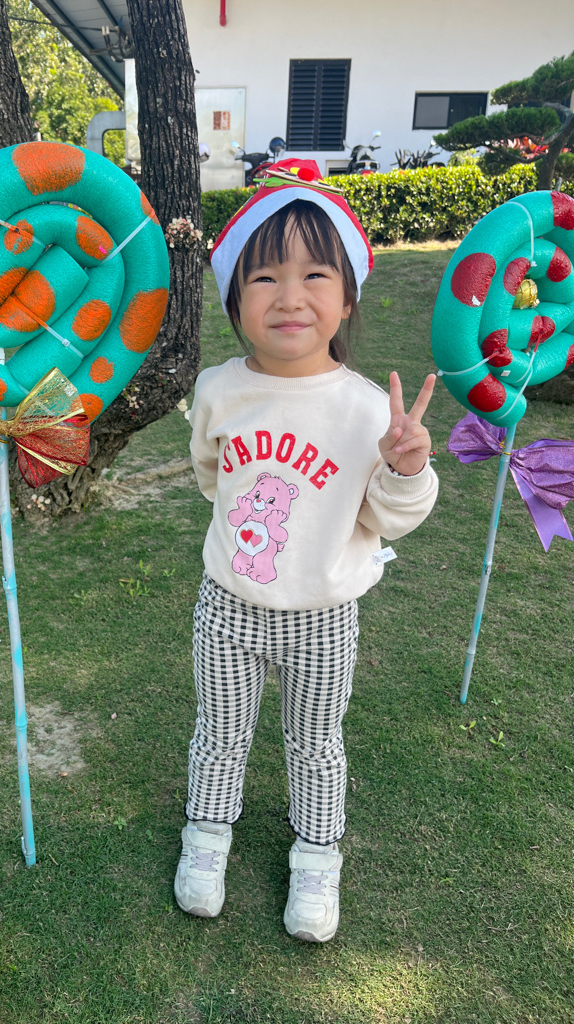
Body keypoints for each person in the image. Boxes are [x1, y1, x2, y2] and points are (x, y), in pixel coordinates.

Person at [174, 159, 438, 942]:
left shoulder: (366, 411)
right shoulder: (219, 389)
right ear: (236, 300)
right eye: (264, 277)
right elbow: (212, 476)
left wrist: (407, 470)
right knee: (219, 734)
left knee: (316, 743)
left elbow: (388, 519)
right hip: (228, 608)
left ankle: (317, 857)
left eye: (315, 274)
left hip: (323, 617)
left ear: (347, 296)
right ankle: (206, 838)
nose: (290, 296)